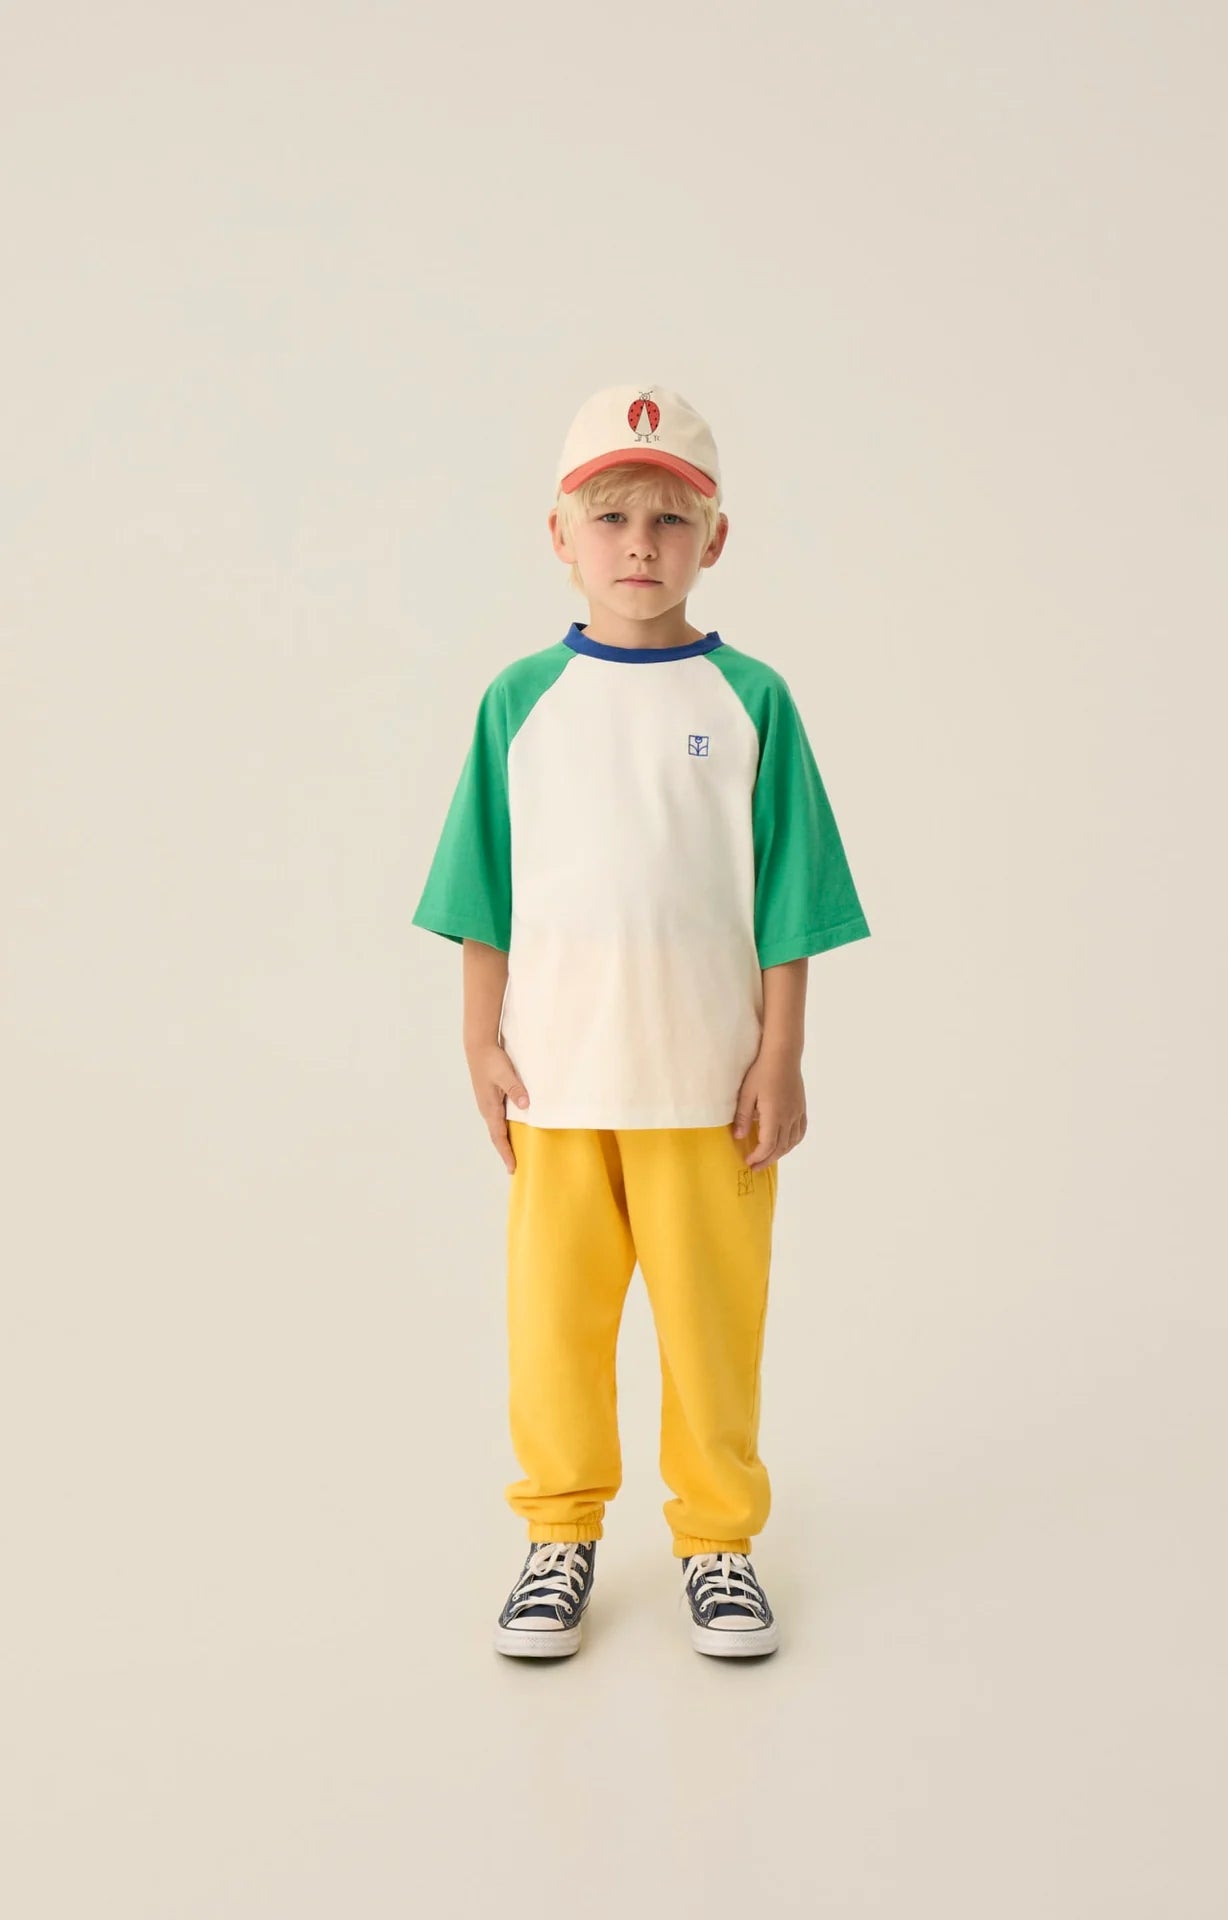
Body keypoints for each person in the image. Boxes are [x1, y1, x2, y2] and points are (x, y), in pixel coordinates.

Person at [411, 383, 871, 1660]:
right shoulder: (520, 701)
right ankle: (556, 1533)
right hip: (558, 1084)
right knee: (553, 1328)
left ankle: (716, 1543)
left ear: (713, 538)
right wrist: (479, 1041)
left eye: (668, 520)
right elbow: (484, 890)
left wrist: (780, 1055)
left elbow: (788, 898)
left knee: (711, 1330)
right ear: (558, 534)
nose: (637, 545)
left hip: (707, 1088)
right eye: (609, 516)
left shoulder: (750, 701)